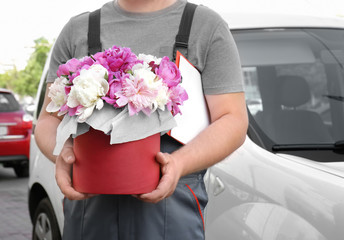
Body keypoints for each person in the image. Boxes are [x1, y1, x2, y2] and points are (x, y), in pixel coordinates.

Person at [35, 0, 248, 239]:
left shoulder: (206, 27)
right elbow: (48, 121)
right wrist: (62, 154)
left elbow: (232, 119)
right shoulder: (78, 29)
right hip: (90, 210)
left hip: (171, 210)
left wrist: (178, 164)